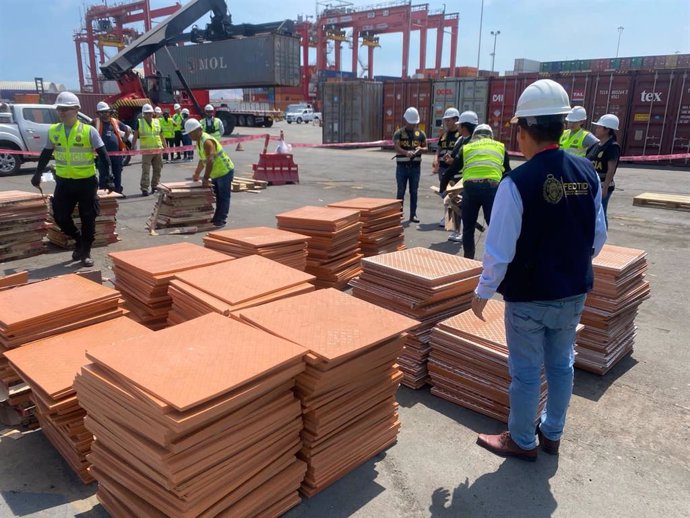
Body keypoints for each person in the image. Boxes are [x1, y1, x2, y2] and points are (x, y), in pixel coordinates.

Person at [472, 79, 607, 461]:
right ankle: (552, 433)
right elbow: (597, 238)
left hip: (529, 296)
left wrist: (482, 292)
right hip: (573, 291)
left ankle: (521, 440)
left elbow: (499, 250)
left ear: (525, 129)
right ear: (563, 126)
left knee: (527, 372)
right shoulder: (587, 173)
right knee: (562, 364)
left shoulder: (517, 182)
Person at [31, 92, 114, 267]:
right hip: (64, 182)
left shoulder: (88, 130)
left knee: (88, 217)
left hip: (86, 182)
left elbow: (104, 156)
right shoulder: (54, 131)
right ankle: (78, 239)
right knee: (60, 216)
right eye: (59, 109)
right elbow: (46, 154)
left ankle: (86, 252)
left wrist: (109, 177)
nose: (62, 112)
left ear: (76, 109)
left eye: (66, 109)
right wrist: (37, 174)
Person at [445, 123, 511, 259]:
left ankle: (468, 260)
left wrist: (444, 185)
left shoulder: (468, 147)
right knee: (494, 226)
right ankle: (493, 259)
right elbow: (508, 172)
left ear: (475, 136)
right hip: (492, 189)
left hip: (471, 189)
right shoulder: (500, 147)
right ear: (491, 136)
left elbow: (454, 168)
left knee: (468, 227)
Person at [185, 118, 235, 228]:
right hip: (216, 173)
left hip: (224, 171)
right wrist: (197, 173)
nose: (189, 136)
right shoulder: (199, 141)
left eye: (190, 133)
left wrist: (205, 178)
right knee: (218, 196)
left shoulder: (206, 141)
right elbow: (203, 160)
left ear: (197, 130)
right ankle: (217, 218)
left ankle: (221, 220)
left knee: (223, 197)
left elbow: (210, 160)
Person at [393, 107, 427, 223]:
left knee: (414, 191)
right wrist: (406, 152)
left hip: (415, 168)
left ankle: (413, 215)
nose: (412, 125)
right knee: (401, 191)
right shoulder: (399, 133)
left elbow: (426, 147)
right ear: (405, 120)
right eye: (410, 123)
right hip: (402, 168)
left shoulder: (420, 134)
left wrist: (421, 149)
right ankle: (398, 214)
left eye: (414, 123)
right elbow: (396, 147)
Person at [586, 114, 621, 228]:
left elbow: (611, 169)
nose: (596, 129)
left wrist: (605, 188)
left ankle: (602, 235)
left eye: (599, 127)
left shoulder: (612, 147)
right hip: (592, 185)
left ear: (607, 130)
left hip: (602, 186)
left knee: (601, 213)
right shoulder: (595, 146)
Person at [434, 107, 463, 240]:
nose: (447, 122)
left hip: (454, 171)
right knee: (445, 194)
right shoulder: (444, 135)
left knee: (453, 196)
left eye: (449, 120)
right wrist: (436, 160)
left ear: (456, 120)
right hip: (443, 169)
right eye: (446, 120)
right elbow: (439, 148)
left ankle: (452, 222)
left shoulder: (460, 136)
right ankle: (448, 218)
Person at [93, 101, 130, 195]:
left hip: (117, 154)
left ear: (109, 112)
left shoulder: (115, 121)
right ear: (98, 113)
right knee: (103, 174)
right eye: (102, 112)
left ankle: (117, 191)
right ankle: (103, 193)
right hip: (102, 154)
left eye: (106, 111)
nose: (104, 114)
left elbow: (127, 129)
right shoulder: (95, 122)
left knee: (117, 173)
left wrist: (124, 139)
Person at [132, 103, 165, 196]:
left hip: (157, 149)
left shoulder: (157, 122)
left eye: (150, 113)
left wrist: (166, 148)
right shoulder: (140, 122)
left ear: (152, 113)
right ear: (143, 114)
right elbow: (135, 135)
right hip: (147, 151)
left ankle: (155, 186)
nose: (148, 115)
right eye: (146, 113)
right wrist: (133, 146)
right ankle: (144, 188)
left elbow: (161, 135)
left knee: (157, 169)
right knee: (146, 170)